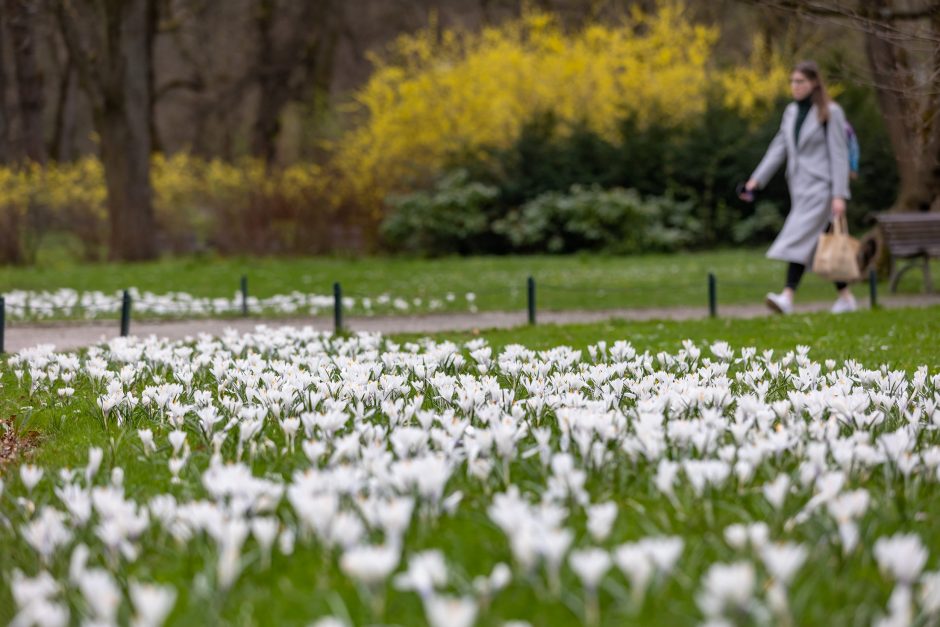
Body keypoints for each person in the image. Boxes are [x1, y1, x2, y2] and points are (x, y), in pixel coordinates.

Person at [742, 60, 857, 314]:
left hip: (822, 189)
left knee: (798, 236)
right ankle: (846, 298)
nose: (795, 86)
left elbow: (838, 154)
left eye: (800, 81)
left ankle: (787, 297)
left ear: (814, 83)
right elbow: (779, 148)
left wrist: (839, 194)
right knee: (816, 244)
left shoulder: (830, 112)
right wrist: (755, 181)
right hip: (800, 188)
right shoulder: (792, 112)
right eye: (792, 81)